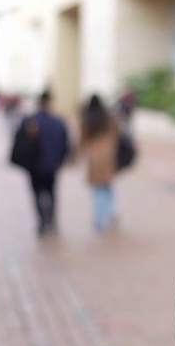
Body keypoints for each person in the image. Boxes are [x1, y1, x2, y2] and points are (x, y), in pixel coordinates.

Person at [18, 89, 70, 237]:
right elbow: (65, 145)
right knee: (52, 193)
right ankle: (51, 219)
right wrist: (60, 160)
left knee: (37, 194)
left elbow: (20, 144)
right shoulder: (58, 122)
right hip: (52, 165)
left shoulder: (29, 121)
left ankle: (42, 221)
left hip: (34, 166)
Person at [77, 94, 120, 232]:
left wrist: (78, 154)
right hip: (108, 154)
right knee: (107, 185)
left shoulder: (88, 119)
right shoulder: (108, 117)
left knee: (98, 189)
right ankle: (112, 210)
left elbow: (83, 139)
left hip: (94, 157)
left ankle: (100, 219)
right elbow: (116, 133)